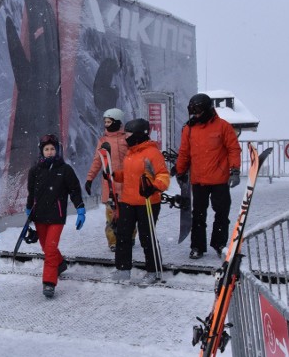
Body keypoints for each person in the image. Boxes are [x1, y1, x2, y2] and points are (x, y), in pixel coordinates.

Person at [174, 93, 242, 259]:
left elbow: (234, 149)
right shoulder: (189, 129)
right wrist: (180, 170)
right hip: (199, 180)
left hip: (220, 180)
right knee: (198, 215)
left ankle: (219, 244)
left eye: (198, 110)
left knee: (221, 213)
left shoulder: (223, 126)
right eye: (192, 110)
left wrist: (234, 171)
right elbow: (184, 152)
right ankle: (197, 246)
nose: (195, 114)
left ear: (206, 109)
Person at [25, 133, 86, 298]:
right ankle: (60, 264)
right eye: (47, 149)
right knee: (46, 248)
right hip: (39, 216)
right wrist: (29, 208)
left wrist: (80, 208)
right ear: (42, 151)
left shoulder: (65, 170)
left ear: (57, 150)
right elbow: (32, 193)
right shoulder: (35, 170)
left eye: (52, 149)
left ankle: (49, 283)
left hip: (57, 216)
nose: (50, 152)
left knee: (50, 249)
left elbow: (74, 190)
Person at [112, 119, 170, 283]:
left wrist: (154, 187)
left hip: (148, 202)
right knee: (123, 235)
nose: (126, 137)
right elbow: (128, 175)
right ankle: (123, 269)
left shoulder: (152, 153)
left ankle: (153, 271)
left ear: (138, 134)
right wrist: (115, 175)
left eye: (129, 134)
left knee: (147, 237)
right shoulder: (131, 152)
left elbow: (163, 176)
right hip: (128, 201)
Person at [84, 108, 128, 252]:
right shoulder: (103, 140)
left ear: (117, 122)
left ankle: (130, 236)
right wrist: (90, 178)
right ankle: (113, 240)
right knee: (111, 214)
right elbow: (98, 161)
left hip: (127, 183)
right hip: (109, 185)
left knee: (128, 213)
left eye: (109, 122)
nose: (106, 124)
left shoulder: (126, 139)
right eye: (105, 122)